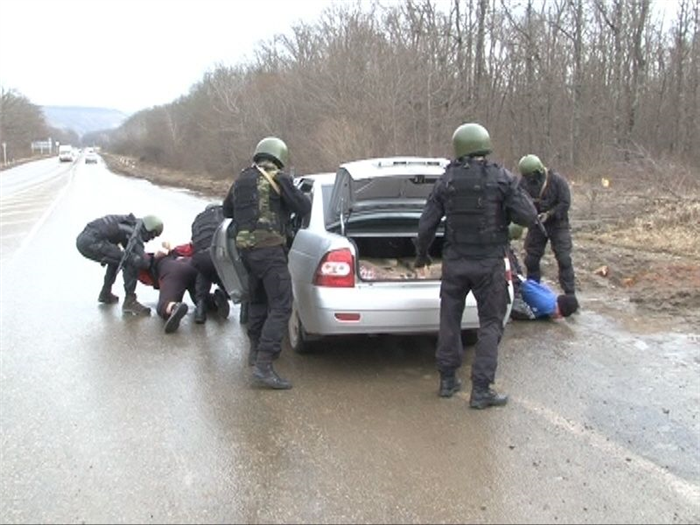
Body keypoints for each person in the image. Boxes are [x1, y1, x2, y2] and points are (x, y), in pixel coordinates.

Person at [414, 123, 538, 409]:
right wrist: (506, 225)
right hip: (488, 264)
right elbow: (529, 215)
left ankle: (447, 381)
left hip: (455, 263)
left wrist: (422, 255)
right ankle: (481, 390)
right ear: (485, 145)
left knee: (449, 320)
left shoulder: (447, 181)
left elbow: (426, 225)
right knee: (491, 324)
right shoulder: (501, 178)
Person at [222, 136, 311, 390]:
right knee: (282, 305)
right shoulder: (279, 178)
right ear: (279, 156)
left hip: (247, 254)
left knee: (258, 301)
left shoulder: (241, 179)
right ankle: (264, 366)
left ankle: (254, 351)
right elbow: (304, 206)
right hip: (271, 251)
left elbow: (227, 210)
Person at [76, 213, 163, 316]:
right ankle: (130, 301)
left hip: (85, 239)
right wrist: (156, 257)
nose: (150, 239)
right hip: (93, 242)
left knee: (118, 257)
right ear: (149, 230)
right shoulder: (134, 232)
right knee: (131, 260)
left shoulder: (130, 223)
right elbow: (143, 262)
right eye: (152, 236)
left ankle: (105, 293)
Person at [518, 154, 577, 297]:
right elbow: (520, 200)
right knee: (531, 259)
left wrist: (550, 213)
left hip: (558, 224)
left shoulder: (557, 181)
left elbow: (565, 203)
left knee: (564, 258)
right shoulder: (523, 183)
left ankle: (570, 294)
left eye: (531, 176)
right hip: (536, 223)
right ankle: (534, 291)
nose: (529, 179)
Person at [136, 244, 199, 333]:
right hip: (191, 264)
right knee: (199, 299)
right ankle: (214, 301)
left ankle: (173, 307)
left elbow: (144, 276)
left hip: (173, 272)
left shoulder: (149, 264)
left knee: (162, 306)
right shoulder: (172, 252)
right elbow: (189, 247)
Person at [190, 203, 230, 324]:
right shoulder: (224, 216)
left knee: (203, 273)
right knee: (228, 276)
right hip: (219, 255)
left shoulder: (198, 220)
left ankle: (200, 310)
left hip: (200, 257)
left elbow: (193, 242)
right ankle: (224, 294)